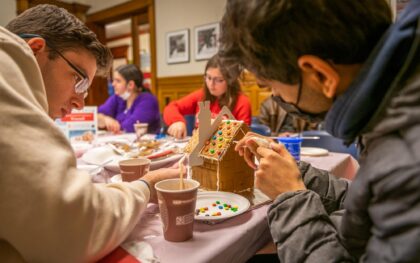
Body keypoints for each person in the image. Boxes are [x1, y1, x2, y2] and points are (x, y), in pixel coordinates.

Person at [220, 0, 420, 262]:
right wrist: (294, 172)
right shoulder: (393, 103)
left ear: (322, 76)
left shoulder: (408, 162)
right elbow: (364, 204)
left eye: (272, 86)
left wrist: (290, 197)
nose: (276, 96)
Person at [0, 5, 179, 262]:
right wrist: (145, 187)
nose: (80, 104)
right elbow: (72, 228)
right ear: (35, 50)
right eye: (79, 80)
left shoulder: (146, 100)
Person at [163, 54, 252, 139]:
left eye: (219, 80)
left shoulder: (242, 102)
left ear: (230, 81)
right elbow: (171, 107)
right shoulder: (200, 95)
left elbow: (242, 136)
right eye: (208, 78)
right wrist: (177, 121)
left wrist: (217, 128)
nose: (211, 84)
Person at [98, 64, 160, 134]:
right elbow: (96, 116)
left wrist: (107, 123)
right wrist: (106, 119)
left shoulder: (148, 101)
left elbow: (129, 127)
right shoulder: (118, 98)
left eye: (118, 81)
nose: (113, 84)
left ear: (130, 85)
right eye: (113, 80)